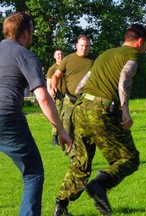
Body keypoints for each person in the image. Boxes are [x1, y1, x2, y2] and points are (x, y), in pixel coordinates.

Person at [53, 24, 146, 216]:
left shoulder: (106, 53)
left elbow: (82, 83)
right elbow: (125, 75)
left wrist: (83, 98)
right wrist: (125, 109)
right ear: (140, 42)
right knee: (129, 158)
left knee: (81, 162)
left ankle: (60, 206)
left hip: (80, 109)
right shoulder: (135, 55)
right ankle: (100, 184)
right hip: (102, 110)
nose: (145, 48)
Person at [0, 12, 73, 216]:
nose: (32, 36)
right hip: (7, 118)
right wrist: (61, 130)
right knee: (33, 173)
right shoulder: (26, 55)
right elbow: (42, 97)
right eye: (32, 31)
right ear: (25, 33)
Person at [50, 35, 96, 136]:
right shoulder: (68, 59)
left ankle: (80, 149)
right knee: (67, 126)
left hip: (88, 99)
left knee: (86, 129)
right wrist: (53, 87)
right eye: (82, 46)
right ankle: (68, 144)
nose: (84, 48)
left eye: (87, 46)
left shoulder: (95, 59)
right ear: (76, 45)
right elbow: (55, 76)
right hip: (70, 98)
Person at [46, 48, 65, 146]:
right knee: (56, 117)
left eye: (61, 54)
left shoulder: (66, 66)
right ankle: (55, 138)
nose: (60, 56)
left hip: (67, 96)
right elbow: (48, 83)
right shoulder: (52, 68)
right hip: (57, 96)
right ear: (54, 56)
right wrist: (51, 94)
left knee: (66, 117)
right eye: (58, 54)